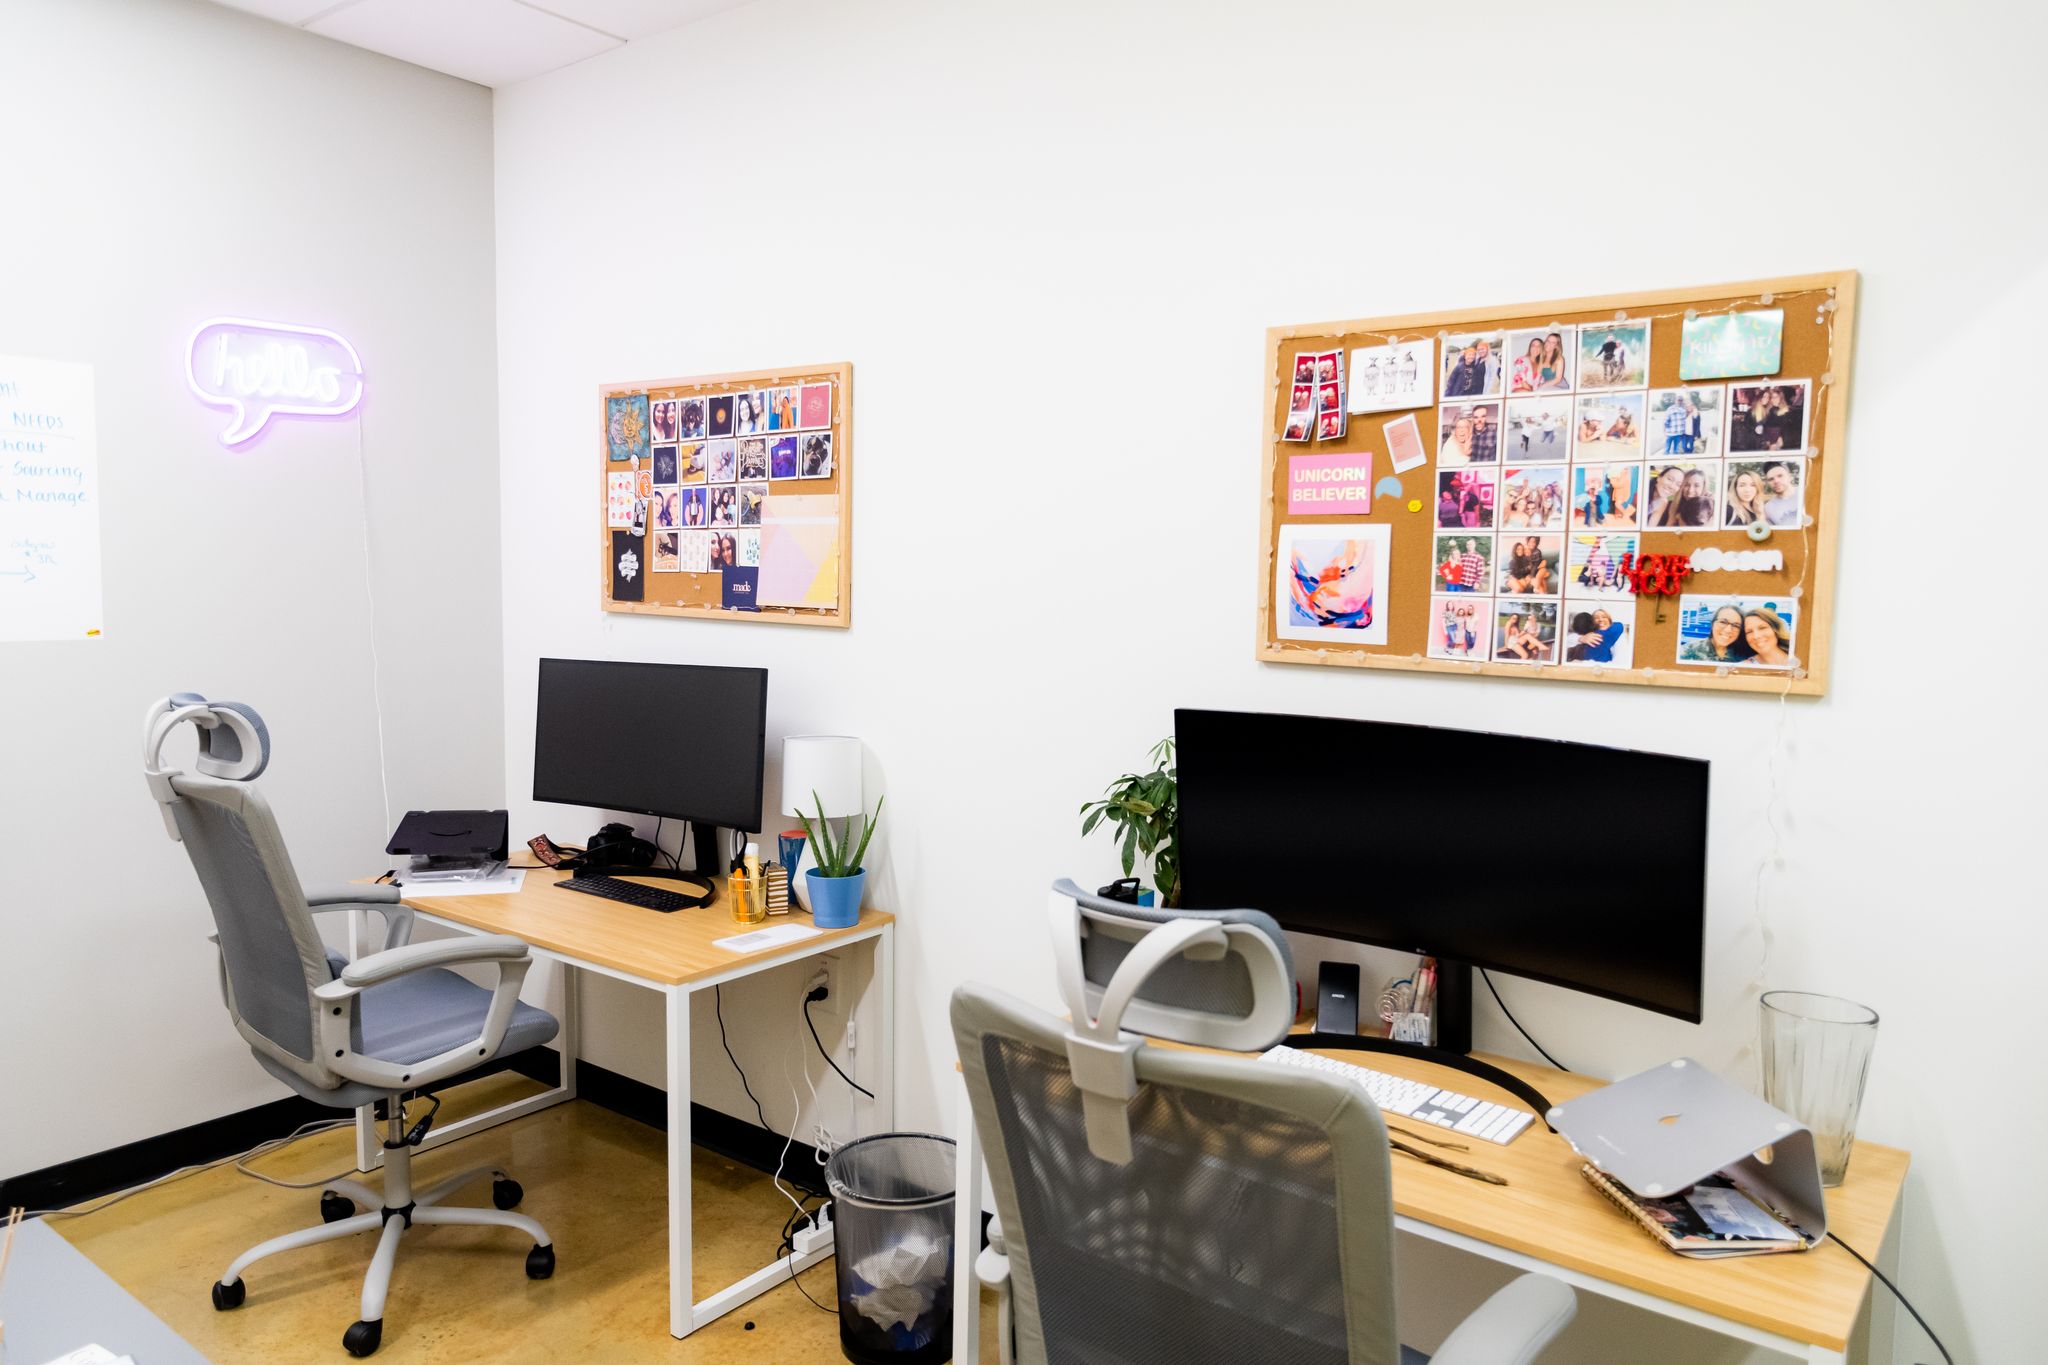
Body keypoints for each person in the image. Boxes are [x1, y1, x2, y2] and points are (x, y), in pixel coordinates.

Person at [1681, 604, 1751, 663]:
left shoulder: (1744, 655)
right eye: (1723, 622)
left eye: (1736, 626)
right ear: (1713, 623)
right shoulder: (1689, 651)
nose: (1728, 630)